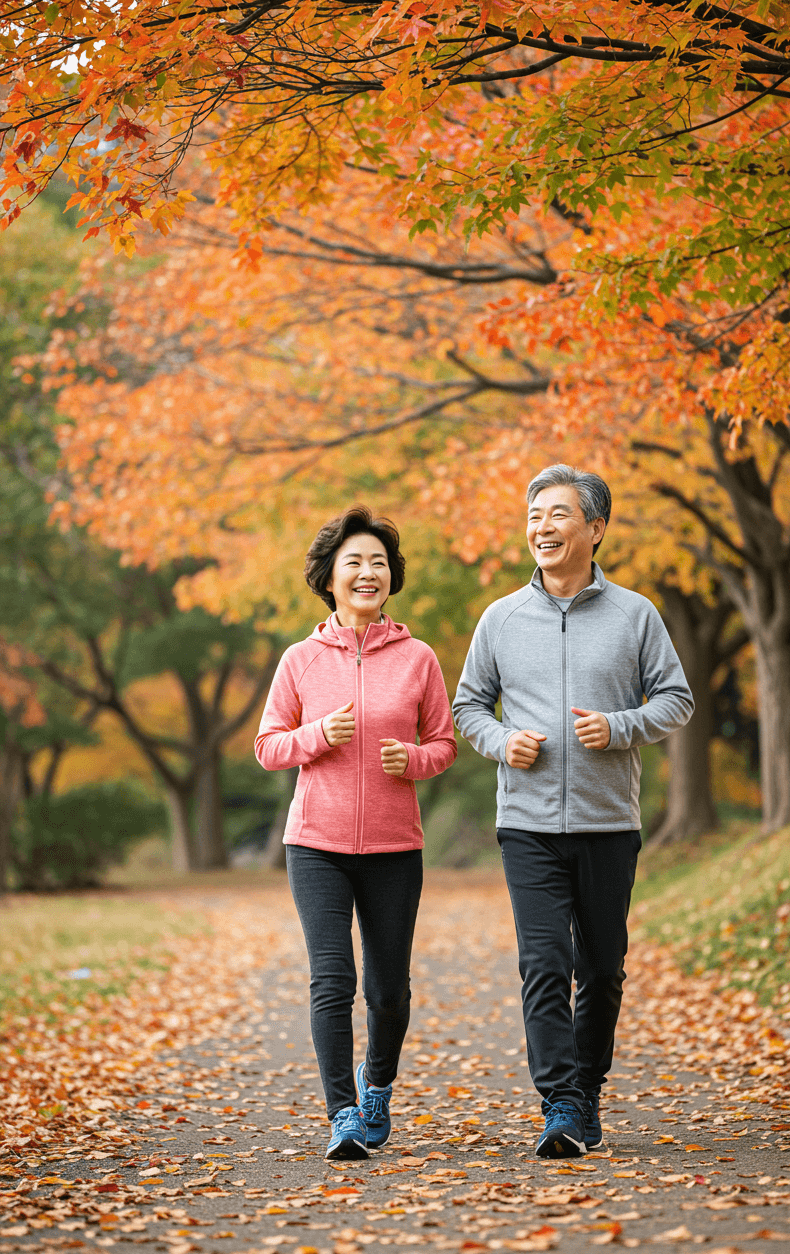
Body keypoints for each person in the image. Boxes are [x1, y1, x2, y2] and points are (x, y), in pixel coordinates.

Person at [453, 464, 693, 1158]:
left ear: (596, 528)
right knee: (544, 963)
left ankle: (587, 1086)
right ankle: (559, 1102)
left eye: (558, 514)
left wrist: (618, 727)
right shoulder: (500, 618)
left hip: (608, 822)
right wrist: (502, 742)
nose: (542, 527)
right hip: (526, 824)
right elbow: (469, 706)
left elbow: (676, 700)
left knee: (603, 969)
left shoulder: (635, 614)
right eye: (534, 516)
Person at [255, 507, 456, 1160]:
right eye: (355, 562)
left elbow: (445, 744)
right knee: (332, 978)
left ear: (391, 577)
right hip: (316, 844)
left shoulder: (419, 658)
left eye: (379, 562)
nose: (369, 572)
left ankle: (377, 1086)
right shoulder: (300, 660)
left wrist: (413, 760)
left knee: (388, 992)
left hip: (395, 847)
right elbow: (268, 746)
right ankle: (342, 1113)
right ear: (329, 578)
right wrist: (317, 735)